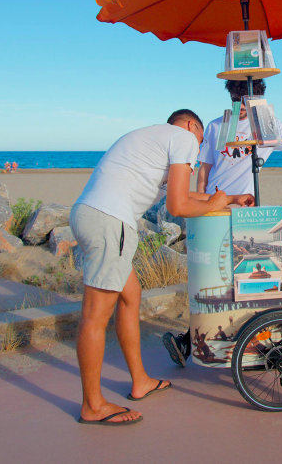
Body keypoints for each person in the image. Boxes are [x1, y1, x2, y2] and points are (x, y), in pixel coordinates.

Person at [70, 109, 254, 426]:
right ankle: (92, 404)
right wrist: (214, 204)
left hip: (94, 215)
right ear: (191, 126)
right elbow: (178, 206)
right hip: (110, 221)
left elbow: (181, 193)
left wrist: (231, 198)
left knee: (130, 296)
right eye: (200, 142)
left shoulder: (154, 141)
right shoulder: (183, 138)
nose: (198, 151)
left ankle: (140, 381)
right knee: (95, 315)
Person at [162, 79, 282, 367]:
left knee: (245, 279)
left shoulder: (267, 126)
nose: (240, 107)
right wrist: (200, 209)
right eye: (236, 100)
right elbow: (205, 170)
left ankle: (255, 346)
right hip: (216, 207)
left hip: (247, 209)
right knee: (214, 278)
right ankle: (192, 342)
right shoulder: (216, 126)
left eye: (246, 101)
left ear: (257, 99)